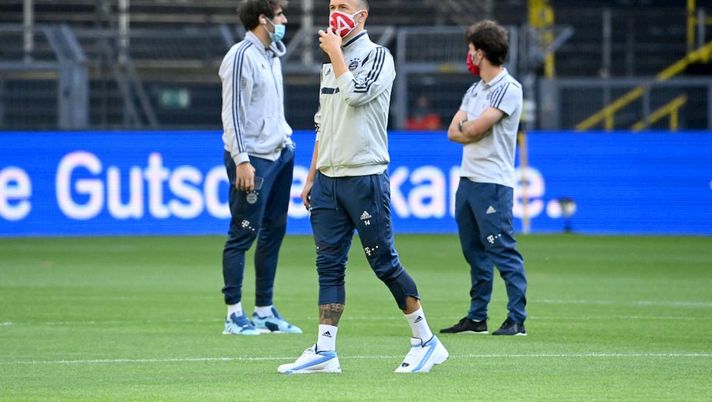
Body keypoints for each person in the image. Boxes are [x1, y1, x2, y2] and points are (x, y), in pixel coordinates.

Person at [277, 0, 448, 374]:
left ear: (362, 15)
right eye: (331, 5)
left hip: (364, 175)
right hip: (328, 179)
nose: (335, 12)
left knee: (383, 261)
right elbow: (323, 123)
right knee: (328, 264)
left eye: (343, 6)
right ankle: (325, 351)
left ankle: (426, 341)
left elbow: (356, 95)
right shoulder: (330, 61)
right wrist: (312, 176)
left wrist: (336, 53)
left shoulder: (378, 56)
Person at [440, 20, 528, 336]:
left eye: (470, 49)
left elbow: (474, 128)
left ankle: (516, 318)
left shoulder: (509, 88)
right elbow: (453, 132)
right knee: (473, 252)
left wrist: (471, 128)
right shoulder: (475, 90)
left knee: (501, 249)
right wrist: (472, 129)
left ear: (480, 53)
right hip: (468, 180)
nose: (469, 55)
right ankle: (477, 318)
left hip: (493, 182)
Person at [218, 0, 301, 336]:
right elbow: (232, 113)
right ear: (263, 19)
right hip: (254, 158)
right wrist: (242, 159)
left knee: (274, 231)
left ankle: (264, 311)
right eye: (279, 15)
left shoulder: (271, 54)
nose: (285, 20)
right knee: (242, 233)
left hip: (279, 153)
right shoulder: (241, 56)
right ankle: (233, 314)